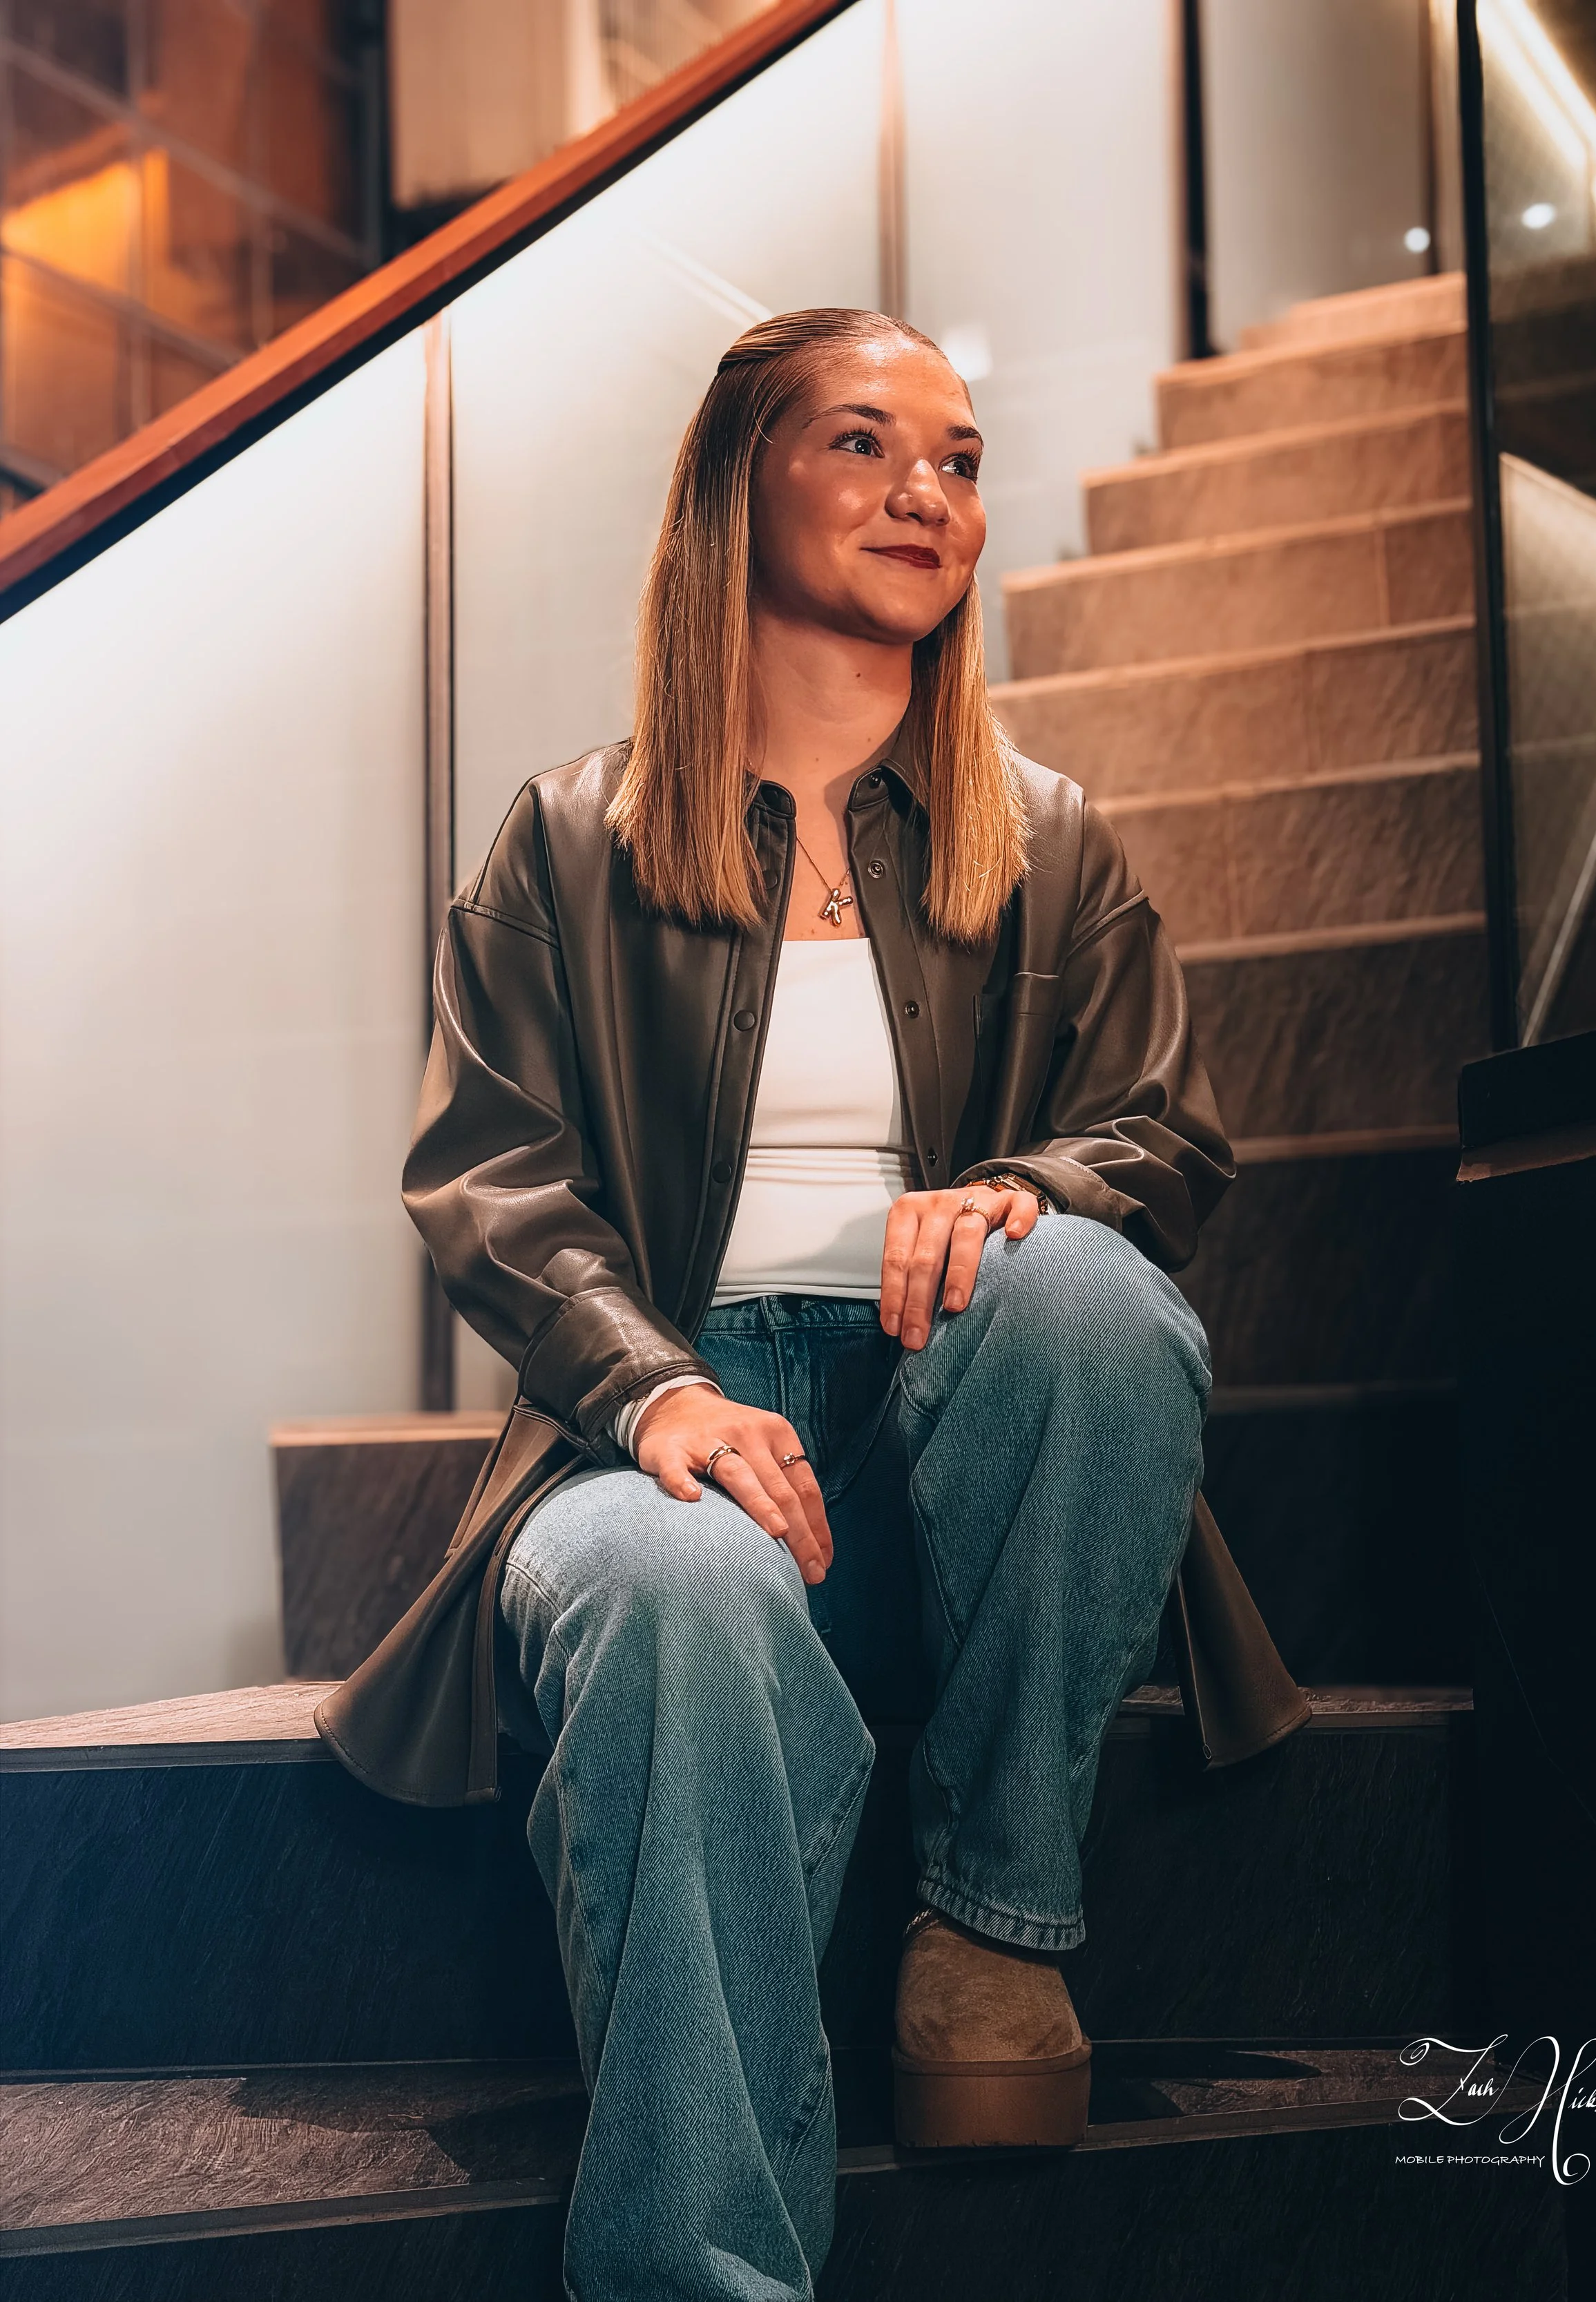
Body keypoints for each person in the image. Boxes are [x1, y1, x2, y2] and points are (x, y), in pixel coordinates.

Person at [355, 307, 1235, 2301]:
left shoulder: (1057, 840)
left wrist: (1019, 1194)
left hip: (972, 1466)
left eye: (959, 454)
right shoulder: (569, 838)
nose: (931, 491)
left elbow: (1167, 1138)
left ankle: (994, 1929)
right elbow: (485, 1169)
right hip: (669, 1440)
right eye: (864, 442)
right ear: (735, 487)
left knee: (1085, 1296)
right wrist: (649, 1390)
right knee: (665, 1594)